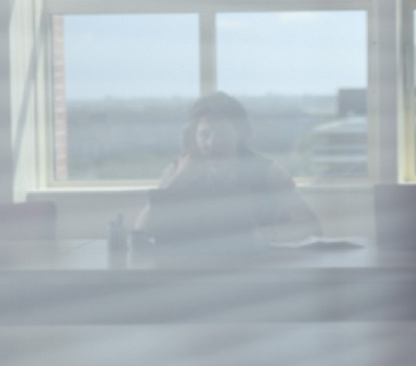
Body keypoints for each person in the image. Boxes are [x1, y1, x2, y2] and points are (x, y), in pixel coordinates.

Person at [134, 92, 321, 252]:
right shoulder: (178, 170)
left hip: (255, 268)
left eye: (222, 134)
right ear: (194, 136)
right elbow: (141, 231)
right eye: (204, 135)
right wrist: (179, 180)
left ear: (240, 135)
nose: (212, 143)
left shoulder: (266, 171)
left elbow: (311, 225)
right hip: (190, 268)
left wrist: (268, 234)